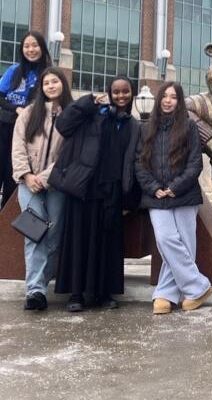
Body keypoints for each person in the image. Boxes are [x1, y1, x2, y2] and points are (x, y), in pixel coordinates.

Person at [50, 76, 140, 312]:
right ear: (109, 93)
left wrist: (129, 195)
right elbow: (63, 125)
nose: (121, 96)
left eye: (125, 92)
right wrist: (88, 102)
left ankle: (104, 293)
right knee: (78, 241)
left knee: (107, 244)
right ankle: (76, 294)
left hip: (111, 191)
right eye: (116, 92)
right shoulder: (93, 113)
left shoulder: (132, 124)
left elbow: (133, 161)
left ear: (132, 94)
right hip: (84, 188)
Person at [136, 82, 212, 315]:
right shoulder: (146, 128)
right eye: (165, 96)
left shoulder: (189, 127)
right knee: (166, 239)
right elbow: (139, 163)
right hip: (156, 196)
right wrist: (154, 188)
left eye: (174, 97)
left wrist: (175, 187)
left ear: (179, 102)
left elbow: (195, 163)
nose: (168, 101)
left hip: (184, 194)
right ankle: (198, 286)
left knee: (185, 245)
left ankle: (165, 294)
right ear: (159, 99)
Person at [11, 67, 72, 310]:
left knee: (55, 233)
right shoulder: (28, 114)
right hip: (27, 183)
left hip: (56, 183)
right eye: (46, 82)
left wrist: (43, 178)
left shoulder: (70, 115)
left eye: (55, 81)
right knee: (34, 232)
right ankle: (35, 291)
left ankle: (42, 280)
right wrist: (27, 175)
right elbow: (18, 147)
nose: (50, 85)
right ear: (42, 87)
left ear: (62, 85)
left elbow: (68, 154)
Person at [0, 31, 51, 208]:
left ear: (42, 48)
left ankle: (6, 218)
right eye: (27, 46)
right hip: (5, 125)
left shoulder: (47, 73)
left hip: (26, 131)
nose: (31, 49)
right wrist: (16, 109)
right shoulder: (14, 70)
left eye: (35, 45)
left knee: (12, 175)